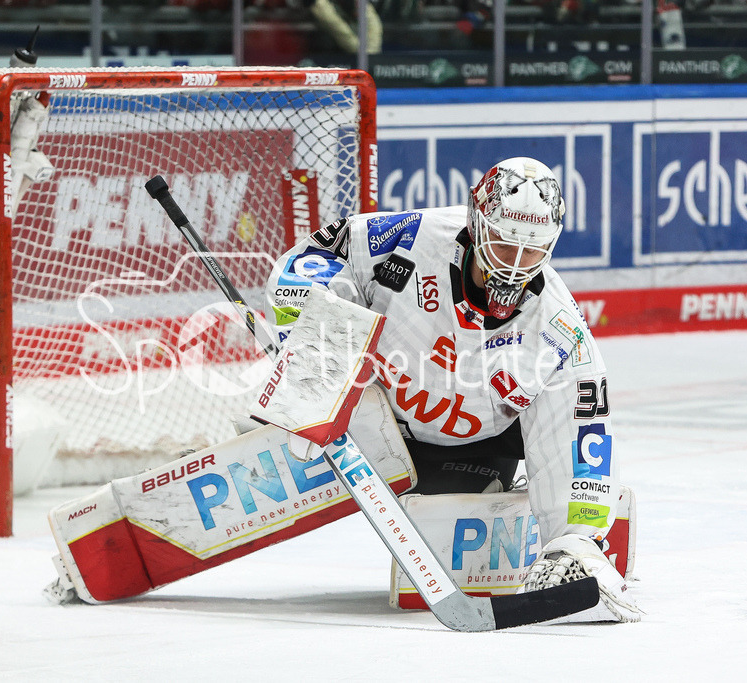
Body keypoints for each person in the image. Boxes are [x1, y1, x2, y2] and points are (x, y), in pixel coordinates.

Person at [264, 157, 641, 622]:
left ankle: (567, 541)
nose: (515, 265)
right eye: (504, 245)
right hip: (371, 424)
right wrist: (313, 336)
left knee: (558, 402)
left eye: (533, 251)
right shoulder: (408, 238)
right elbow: (314, 259)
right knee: (315, 369)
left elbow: (587, 429)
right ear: (477, 225)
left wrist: (580, 536)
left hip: (471, 451)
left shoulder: (558, 326)